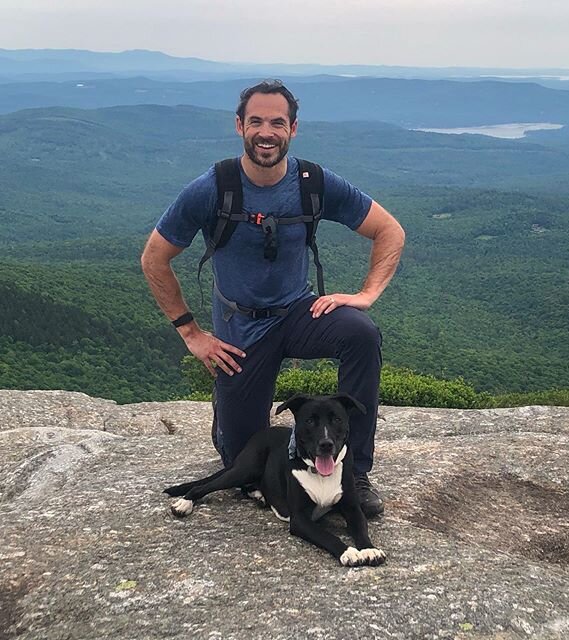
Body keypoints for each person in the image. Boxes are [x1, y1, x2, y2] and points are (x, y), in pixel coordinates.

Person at [141, 80, 405, 517]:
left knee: (361, 334)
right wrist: (190, 332)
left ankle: (353, 471)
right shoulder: (213, 187)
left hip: (299, 312)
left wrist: (367, 293)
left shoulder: (313, 183)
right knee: (242, 466)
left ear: (293, 129)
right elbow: (154, 258)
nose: (267, 132)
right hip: (241, 330)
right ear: (240, 125)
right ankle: (227, 416)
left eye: (277, 122)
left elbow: (389, 229)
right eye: (257, 121)